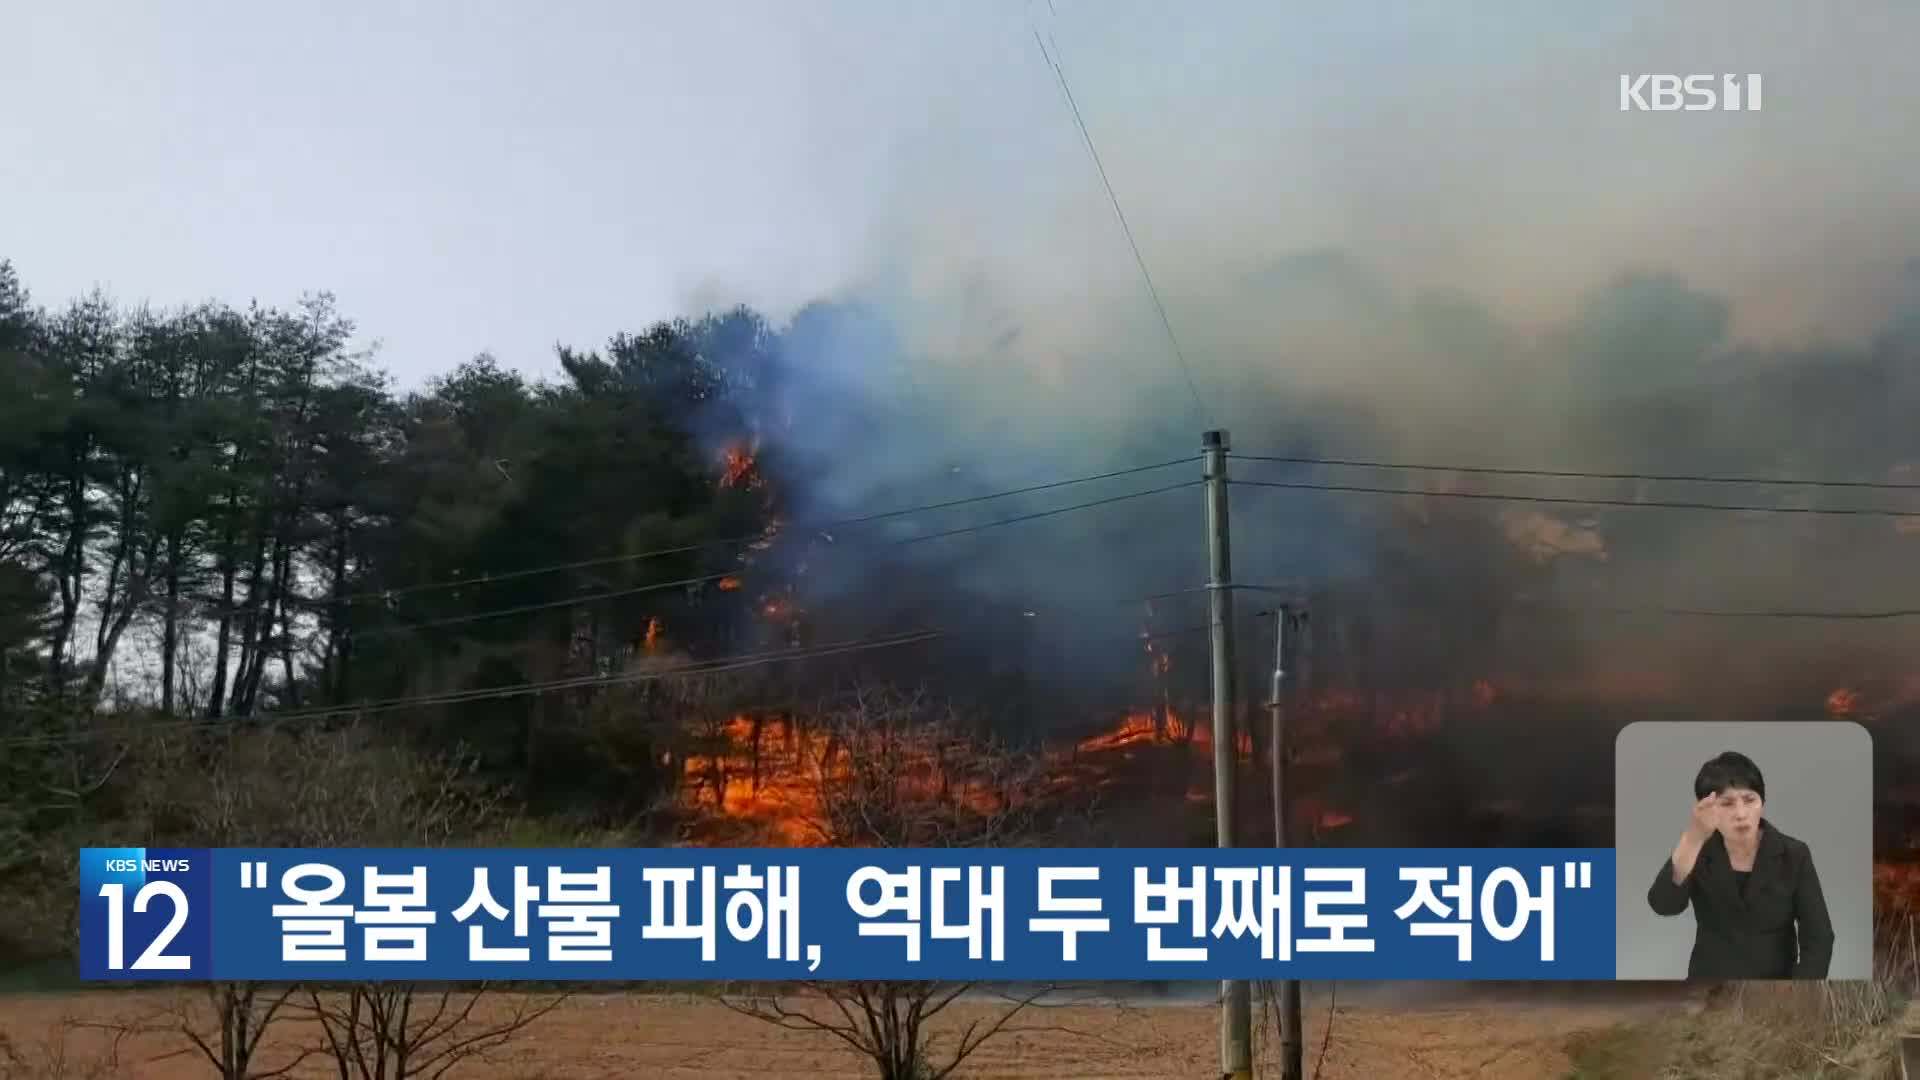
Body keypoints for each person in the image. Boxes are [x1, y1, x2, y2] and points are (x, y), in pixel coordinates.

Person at [1647, 750, 1834, 979]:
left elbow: (1819, 935)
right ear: (1707, 809)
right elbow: (1664, 904)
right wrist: (1693, 837)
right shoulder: (1697, 850)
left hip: (1777, 985)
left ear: (1762, 802)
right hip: (1709, 982)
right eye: (1727, 804)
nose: (1741, 814)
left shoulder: (1794, 855)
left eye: (1750, 800)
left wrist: (1799, 990)